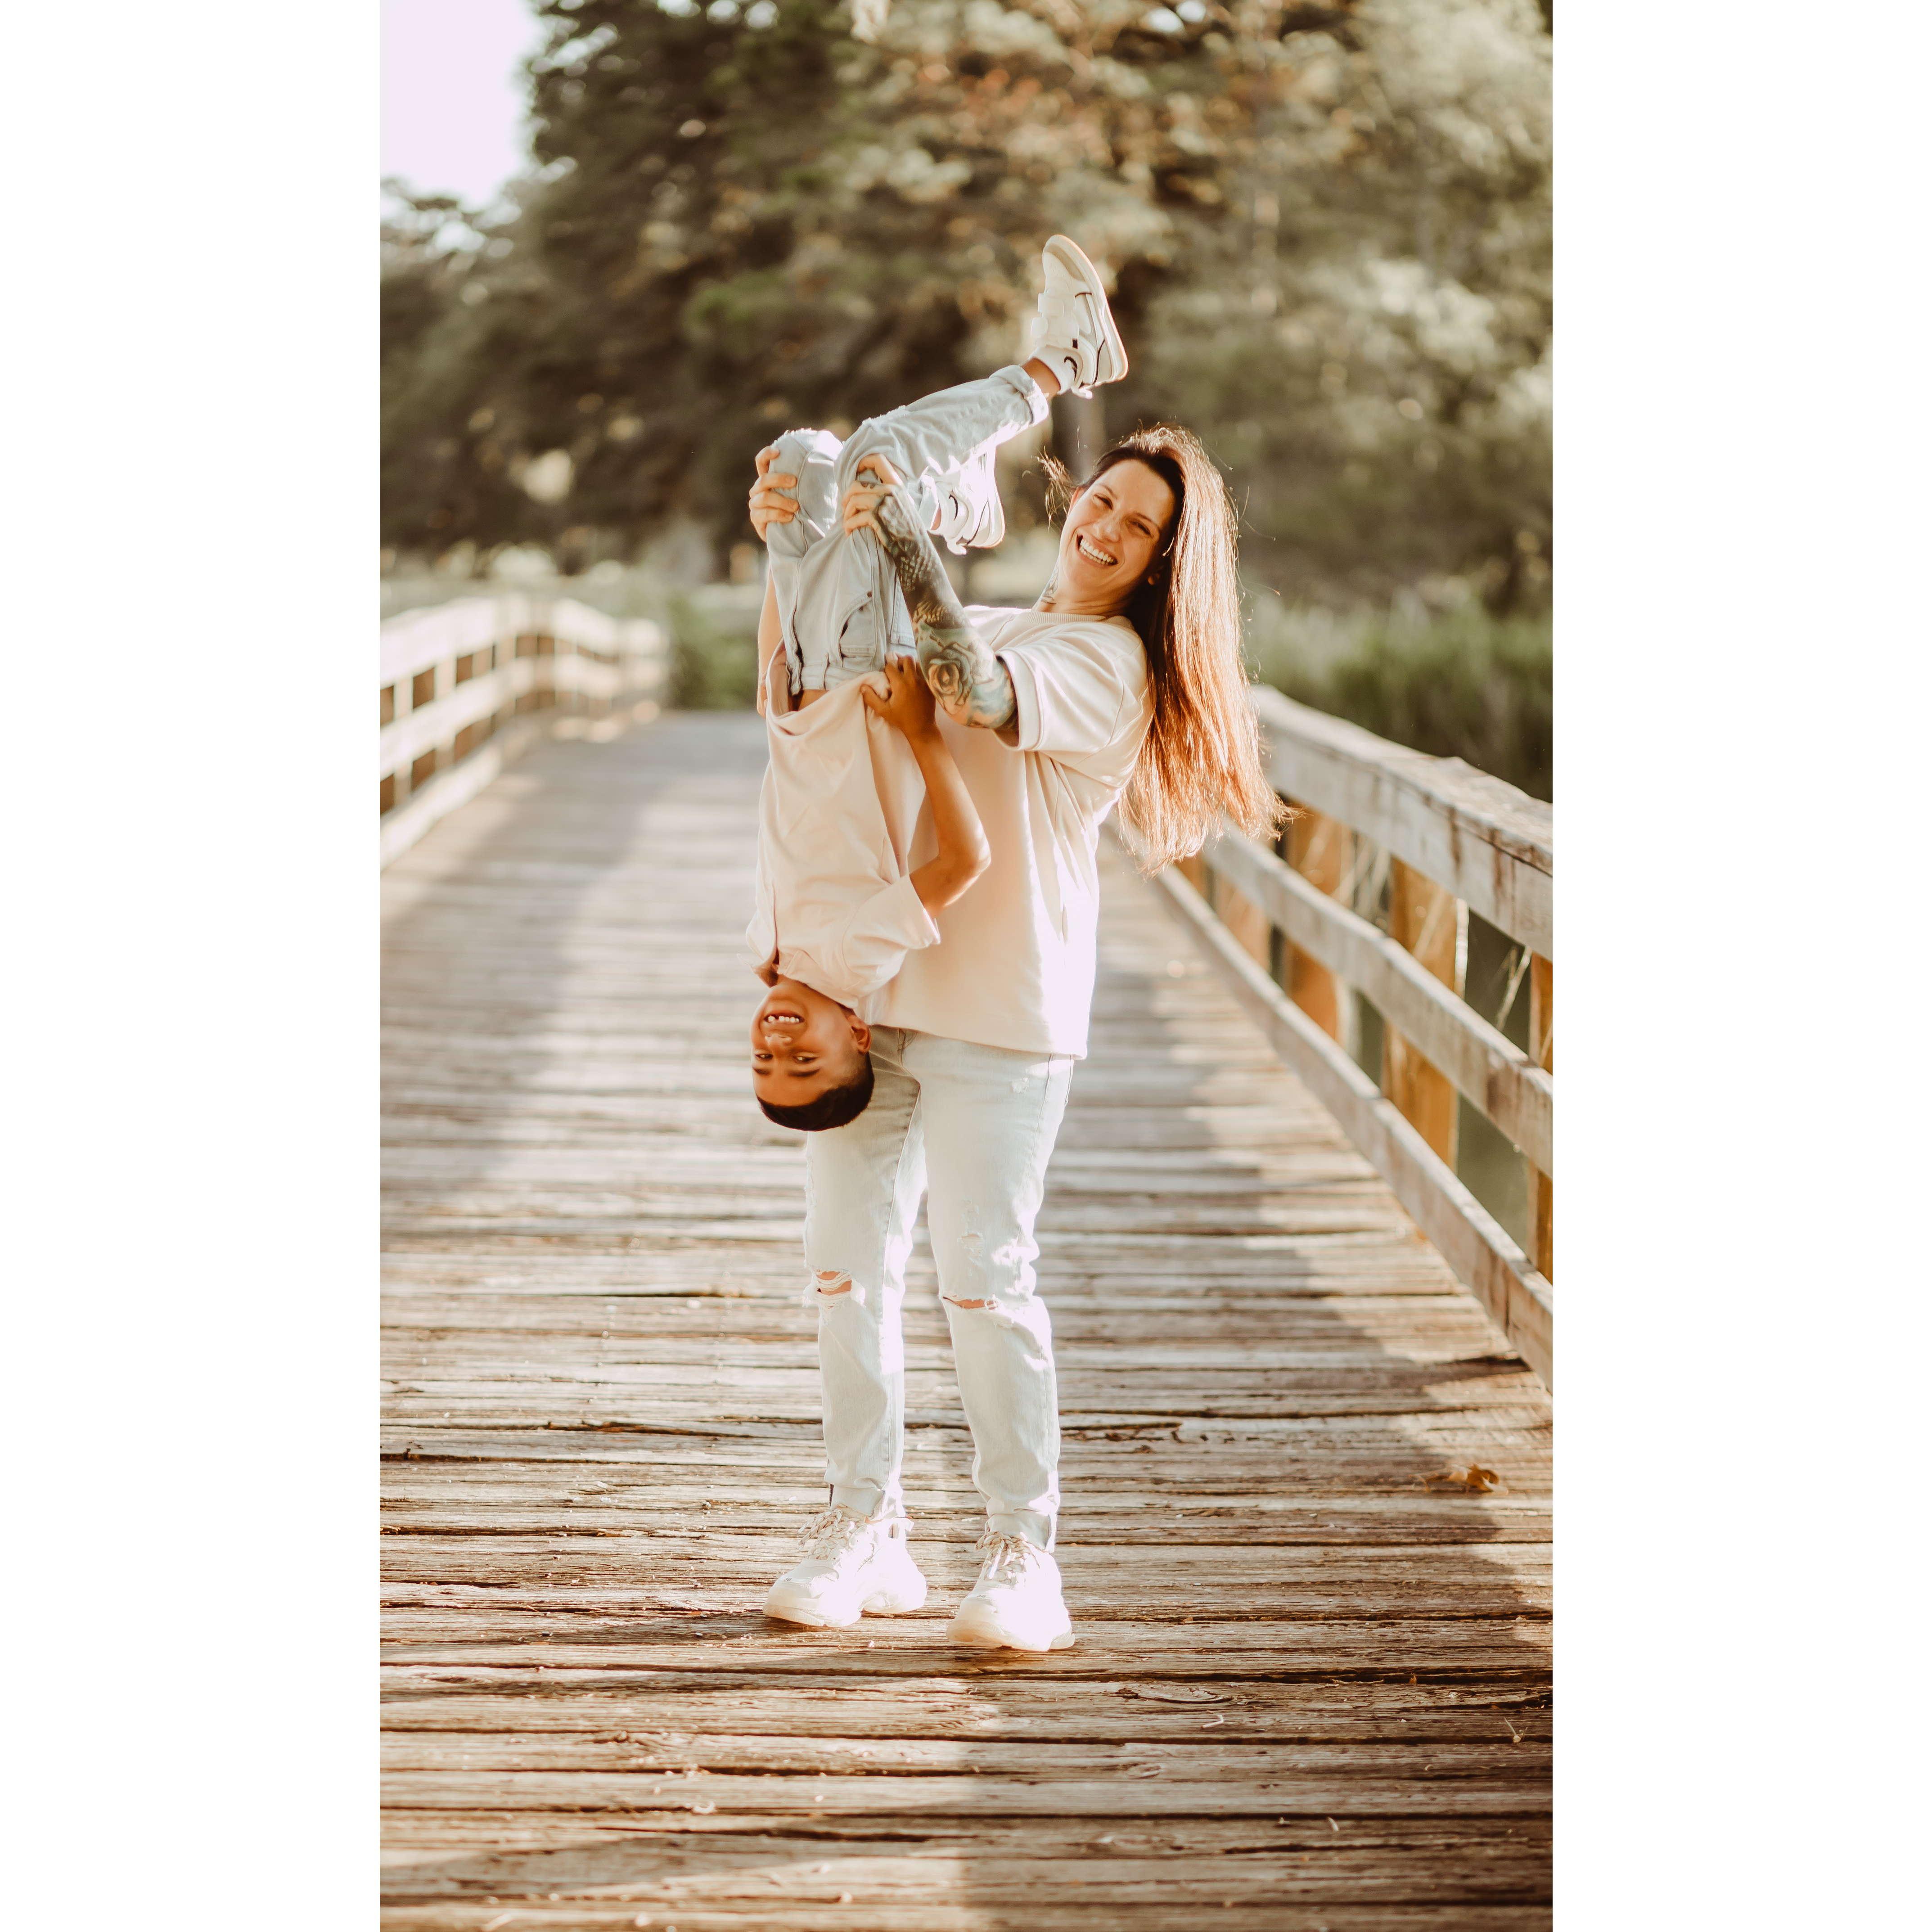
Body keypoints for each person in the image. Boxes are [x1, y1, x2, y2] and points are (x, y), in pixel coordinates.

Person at [748, 238, 1283, 1653]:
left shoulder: (1104, 666)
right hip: (873, 995)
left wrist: (890, 530)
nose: (1104, 526)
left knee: (983, 1280)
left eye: (1137, 528)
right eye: (1102, 500)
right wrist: (795, 531)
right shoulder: (993, 606)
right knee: (844, 1276)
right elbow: (824, 676)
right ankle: (865, 1526)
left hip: (999, 1015)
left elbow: (968, 688)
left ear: (1162, 568)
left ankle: (1018, 1550)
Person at [745, 236, 1127, 1132]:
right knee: (874, 457)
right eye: (806, 1059)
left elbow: (791, 789)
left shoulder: (767, 953)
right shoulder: (854, 962)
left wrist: (778, 572)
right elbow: (962, 862)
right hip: (864, 680)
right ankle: (1065, 363)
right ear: (856, 1032)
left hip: (799, 679)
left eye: (763, 1060)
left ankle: (955, 505)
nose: (779, 1043)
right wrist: (919, 731)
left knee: (797, 463)